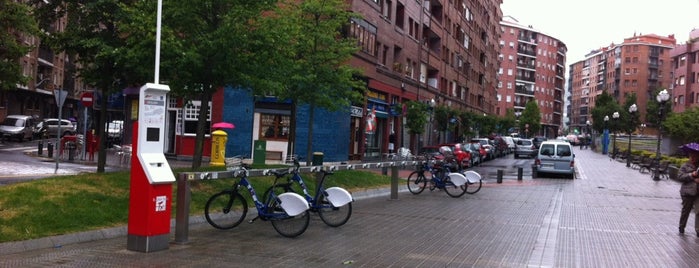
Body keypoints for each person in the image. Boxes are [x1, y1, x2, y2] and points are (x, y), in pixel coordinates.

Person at [676, 142, 699, 235]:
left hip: (698, 192)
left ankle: (698, 230)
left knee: (698, 211)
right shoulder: (685, 166)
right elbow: (680, 177)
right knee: (686, 211)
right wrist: (692, 176)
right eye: (692, 156)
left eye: (695, 156)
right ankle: (682, 226)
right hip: (688, 192)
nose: (693, 158)